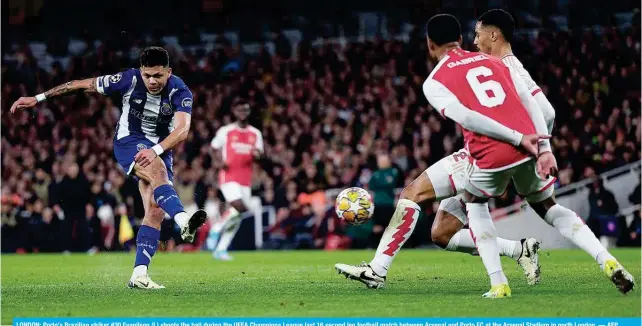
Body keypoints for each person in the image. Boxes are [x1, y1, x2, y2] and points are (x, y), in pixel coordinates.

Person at [432, 9, 634, 296]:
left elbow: (546, 112)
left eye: (478, 34)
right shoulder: (496, 64)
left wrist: (532, 146)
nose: (474, 42)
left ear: (493, 34)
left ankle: (499, 283)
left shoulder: (508, 66)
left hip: (503, 154)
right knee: (550, 208)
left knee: (475, 204)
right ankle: (607, 260)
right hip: (523, 153)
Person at [10, 46, 208, 289]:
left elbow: (182, 130)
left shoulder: (180, 90)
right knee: (158, 173)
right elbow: (79, 85)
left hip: (160, 148)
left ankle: (139, 274)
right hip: (129, 142)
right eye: (147, 75)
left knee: (155, 210)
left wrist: (156, 149)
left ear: (169, 72)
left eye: (158, 75)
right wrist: (38, 98)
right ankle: (183, 220)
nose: (152, 81)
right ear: (141, 71)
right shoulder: (128, 79)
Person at [206, 99, 264, 260]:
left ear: (249, 112)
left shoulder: (255, 133)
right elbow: (214, 147)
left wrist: (258, 155)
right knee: (239, 206)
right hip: (228, 176)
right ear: (235, 112)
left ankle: (221, 249)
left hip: (245, 179)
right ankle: (216, 229)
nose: (242, 113)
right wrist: (219, 162)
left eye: (245, 110)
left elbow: (260, 154)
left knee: (238, 215)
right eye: (240, 110)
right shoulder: (226, 131)